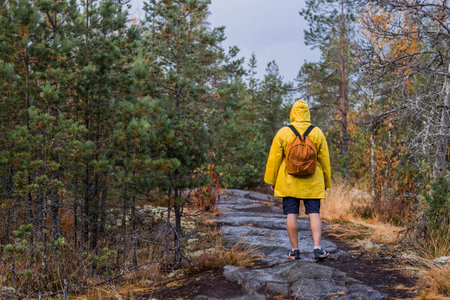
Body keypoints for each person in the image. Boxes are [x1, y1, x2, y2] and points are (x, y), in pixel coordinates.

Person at [264, 100, 332, 260]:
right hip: (313, 182)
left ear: (292, 113)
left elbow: (273, 159)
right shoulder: (317, 132)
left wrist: (272, 180)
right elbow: (325, 160)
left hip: (289, 182)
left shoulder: (283, 132)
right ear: (307, 113)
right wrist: (326, 182)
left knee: (291, 214)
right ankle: (317, 248)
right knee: (314, 213)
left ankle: (295, 250)